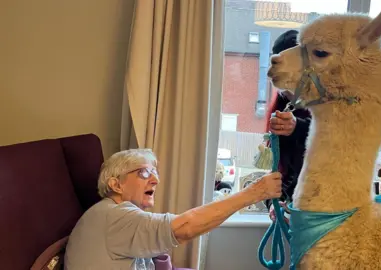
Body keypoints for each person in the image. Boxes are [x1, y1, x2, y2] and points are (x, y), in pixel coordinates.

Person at [65, 148, 281, 269]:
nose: (155, 180)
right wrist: (255, 192)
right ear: (116, 184)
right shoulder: (115, 216)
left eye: (155, 173)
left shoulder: (111, 215)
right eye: (144, 173)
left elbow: (176, 237)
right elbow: (186, 227)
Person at [264, 29, 312, 223]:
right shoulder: (281, 109)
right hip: (297, 212)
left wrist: (298, 128)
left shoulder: (333, 107)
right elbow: (280, 169)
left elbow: (337, 135)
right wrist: (274, 204)